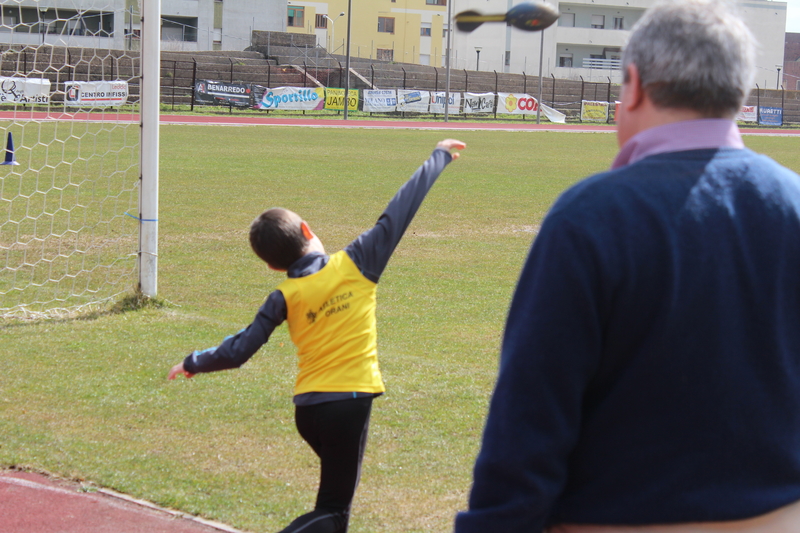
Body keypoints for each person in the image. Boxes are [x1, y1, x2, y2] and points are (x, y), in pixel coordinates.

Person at [454, 1, 800, 532]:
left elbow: (528, 425)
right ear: (740, 92)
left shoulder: (589, 216)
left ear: (633, 86)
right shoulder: (793, 202)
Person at [168, 139, 465, 533]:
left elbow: (239, 349)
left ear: (274, 266)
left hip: (308, 411)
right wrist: (438, 156)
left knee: (332, 511)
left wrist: (193, 361)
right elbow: (398, 213)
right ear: (308, 229)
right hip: (349, 402)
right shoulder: (356, 263)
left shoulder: (284, 295)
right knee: (333, 512)